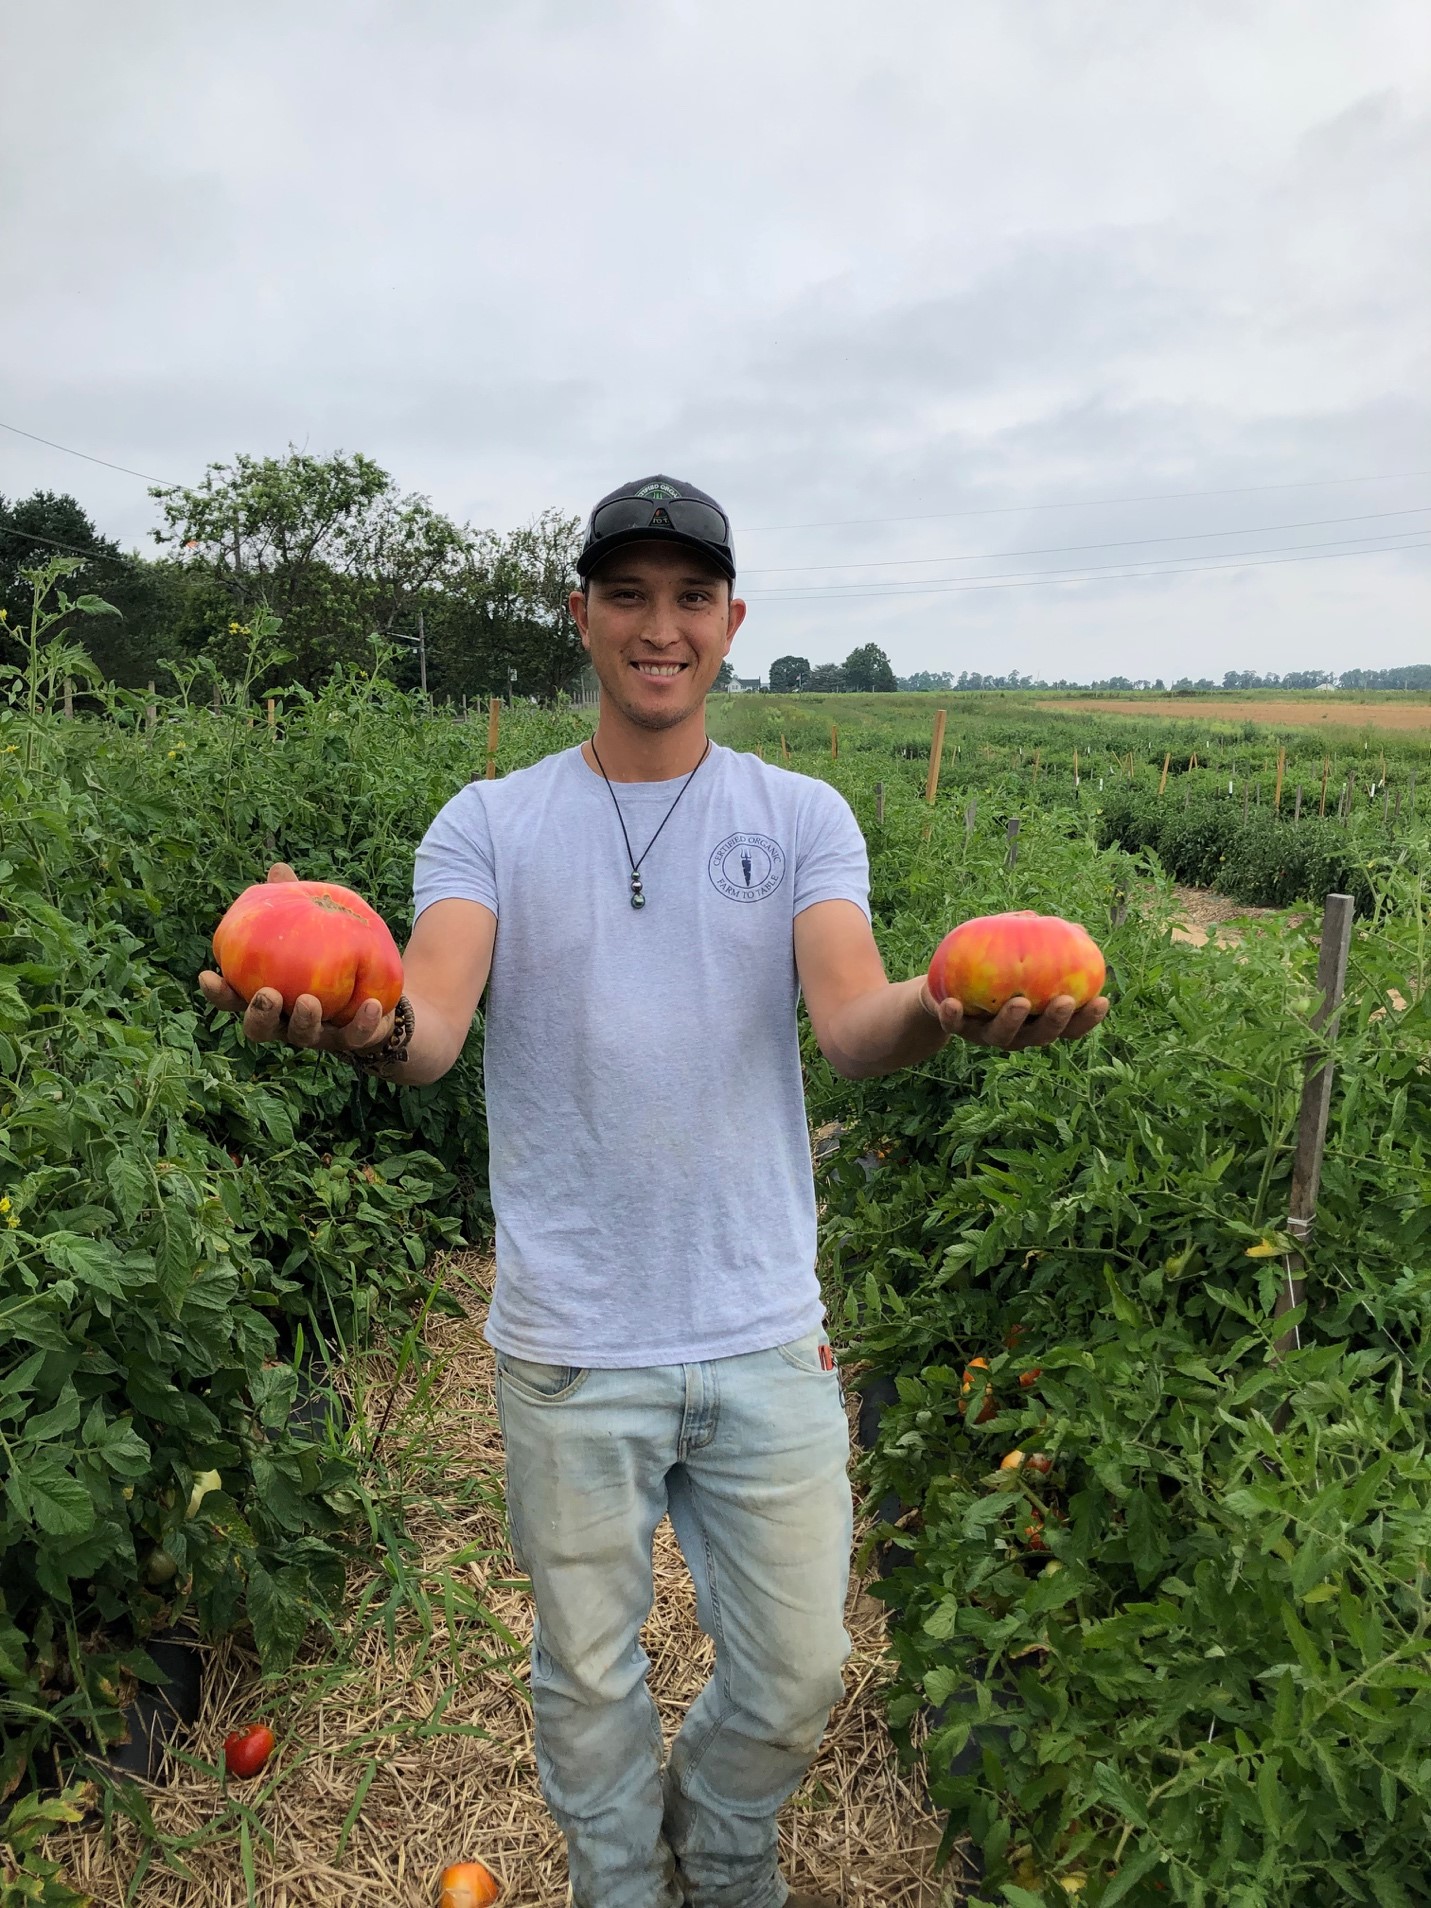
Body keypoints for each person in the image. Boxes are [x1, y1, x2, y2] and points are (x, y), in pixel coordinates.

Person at [200, 474, 1108, 1908]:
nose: (660, 626)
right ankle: (621, 1883)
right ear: (582, 617)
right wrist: (357, 1014)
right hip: (572, 1336)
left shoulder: (801, 816)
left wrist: (945, 1003)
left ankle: (722, 1841)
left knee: (802, 1665)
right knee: (585, 1670)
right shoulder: (490, 822)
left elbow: (854, 1025)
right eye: (627, 594)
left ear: (732, 622)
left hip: (759, 1320)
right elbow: (429, 1024)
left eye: (690, 597)